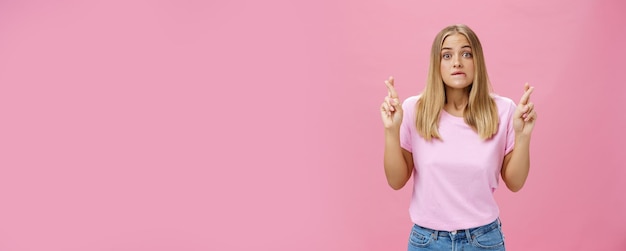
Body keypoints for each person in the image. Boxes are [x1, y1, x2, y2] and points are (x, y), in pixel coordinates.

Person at [380, 24, 537, 251]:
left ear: (477, 61)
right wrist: (391, 131)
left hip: (484, 240)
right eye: (447, 55)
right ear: (437, 63)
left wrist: (523, 136)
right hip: (426, 241)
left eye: (466, 54)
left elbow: (515, 182)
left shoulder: (504, 110)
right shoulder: (414, 109)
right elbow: (396, 181)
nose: (457, 62)